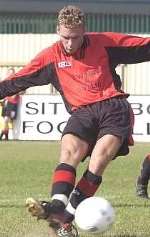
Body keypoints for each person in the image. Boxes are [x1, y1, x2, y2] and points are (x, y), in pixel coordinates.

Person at [0, 4, 150, 237]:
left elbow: (143, 47)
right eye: (65, 37)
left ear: (84, 31)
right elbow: (18, 80)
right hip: (82, 113)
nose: (70, 43)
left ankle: (65, 218)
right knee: (69, 152)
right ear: (58, 30)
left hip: (114, 108)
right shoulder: (51, 56)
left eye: (76, 37)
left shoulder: (104, 42)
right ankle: (59, 206)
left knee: (98, 160)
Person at [0, 68, 21, 140]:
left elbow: (18, 91)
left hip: (12, 103)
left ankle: (2, 134)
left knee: (7, 119)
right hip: (7, 101)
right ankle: (6, 136)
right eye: (9, 73)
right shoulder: (6, 81)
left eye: (12, 73)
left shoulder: (16, 81)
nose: (10, 74)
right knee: (6, 119)